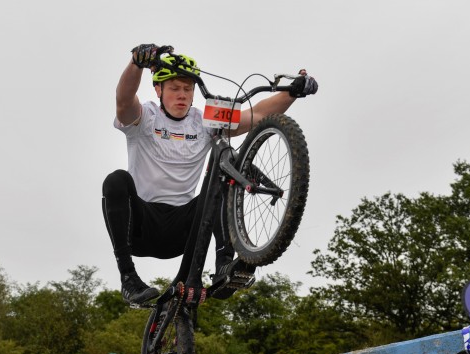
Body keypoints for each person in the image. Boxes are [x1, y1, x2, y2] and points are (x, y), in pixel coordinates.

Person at [103, 44, 318, 305]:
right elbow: (124, 101)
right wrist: (137, 63)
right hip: (140, 227)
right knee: (116, 180)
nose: (182, 95)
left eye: (187, 89)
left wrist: (292, 93)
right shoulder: (145, 116)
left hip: (185, 228)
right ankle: (128, 278)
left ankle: (224, 265)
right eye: (174, 88)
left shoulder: (205, 119)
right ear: (158, 90)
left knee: (222, 171)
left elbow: (258, 114)